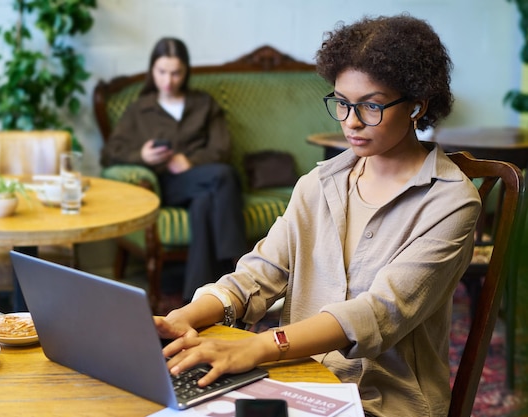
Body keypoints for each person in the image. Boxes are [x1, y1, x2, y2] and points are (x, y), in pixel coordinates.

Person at [154, 15, 482, 417]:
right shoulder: (318, 184)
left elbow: (378, 313)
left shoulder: (451, 203)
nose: (352, 122)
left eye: (372, 106)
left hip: (382, 401)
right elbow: (258, 275)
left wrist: (257, 346)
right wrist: (183, 317)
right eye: (342, 103)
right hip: (295, 380)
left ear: (417, 104)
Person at [100, 37, 246, 305]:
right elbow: (109, 154)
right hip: (165, 184)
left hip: (202, 181)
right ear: (152, 71)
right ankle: (238, 266)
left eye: (176, 72)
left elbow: (222, 148)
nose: (169, 80)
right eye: (162, 72)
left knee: (204, 203)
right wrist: (141, 156)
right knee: (224, 176)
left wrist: (191, 161)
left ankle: (195, 299)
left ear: (186, 71)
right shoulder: (139, 109)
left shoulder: (203, 104)